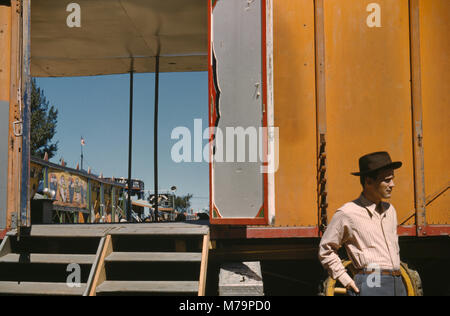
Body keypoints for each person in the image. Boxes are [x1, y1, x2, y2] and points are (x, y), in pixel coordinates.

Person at [319, 151, 406, 296]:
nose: (393, 184)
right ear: (368, 181)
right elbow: (325, 250)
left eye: (393, 179)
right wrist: (346, 279)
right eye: (387, 180)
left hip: (398, 283)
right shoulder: (348, 213)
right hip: (371, 282)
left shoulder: (390, 211)